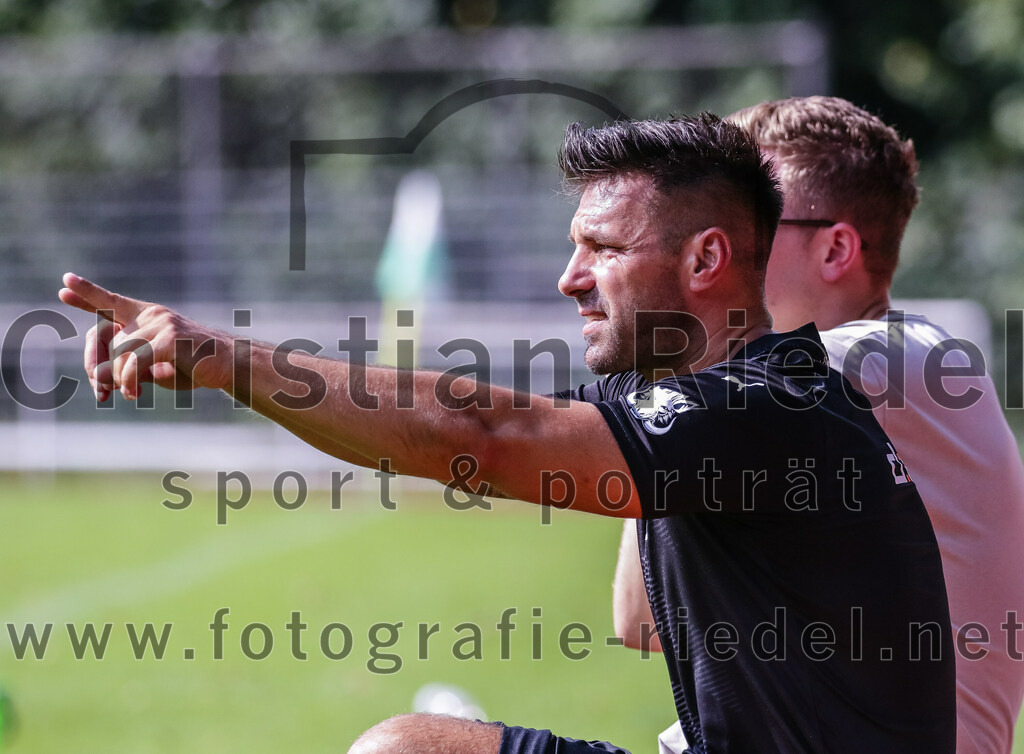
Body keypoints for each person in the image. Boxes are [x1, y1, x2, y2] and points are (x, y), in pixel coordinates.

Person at [59, 114, 956, 752]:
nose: (571, 278)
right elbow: (631, 616)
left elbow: (485, 434)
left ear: (706, 259)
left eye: (603, 248)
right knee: (408, 748)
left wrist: (221, 358)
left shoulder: (769, 407)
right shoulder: (747, 401)